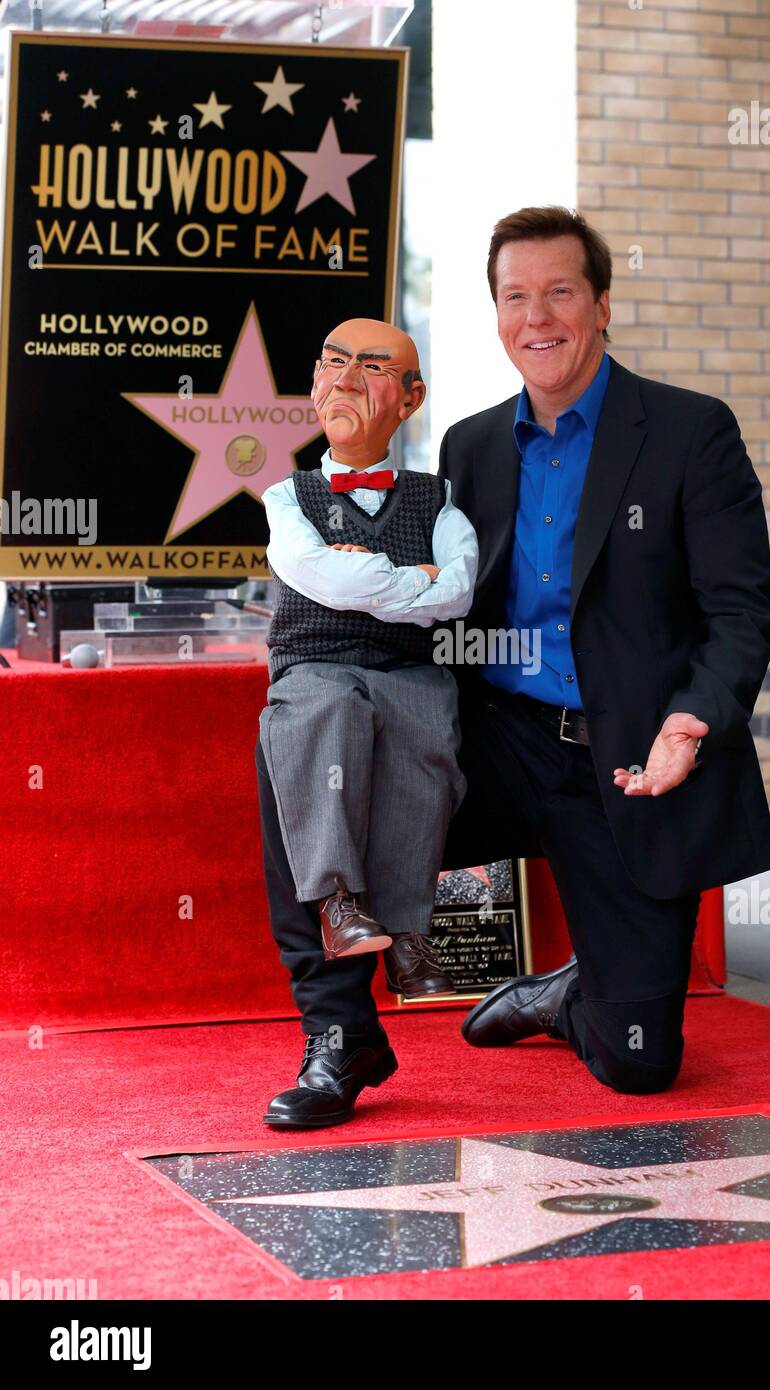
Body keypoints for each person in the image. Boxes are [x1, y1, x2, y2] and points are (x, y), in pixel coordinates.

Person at [436, 205, 770, 1095]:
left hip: (626, 753)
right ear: (497, 314)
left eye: (559, 291)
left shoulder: (688, 431)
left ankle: (569, 993)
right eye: (516, 297)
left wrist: (688, 723)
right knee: (326, 761)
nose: (537, 318)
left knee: (638, 1063)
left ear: (601, 307)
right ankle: (339, 1037)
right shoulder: (469, 445)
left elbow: (741, 613)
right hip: (499, 743)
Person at [257, 318, 478, 1128]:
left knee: (424, 735)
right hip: (316, 669)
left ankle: (410, 935)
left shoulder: (437, 498)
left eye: (374, 367)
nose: (347, 377)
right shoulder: (289, 497)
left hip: (408, 671)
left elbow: (455, 591)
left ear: (412, 397)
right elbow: (318, 575)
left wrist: (368, 574)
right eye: (333, 361)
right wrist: (399, 576)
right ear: (314, 383)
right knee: (321, 722)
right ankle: (337, 912)